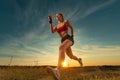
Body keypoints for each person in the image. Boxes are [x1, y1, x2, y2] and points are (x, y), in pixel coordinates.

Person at [47, 12, 83, 80]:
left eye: (59, 16)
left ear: (62, 16)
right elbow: (52, 31)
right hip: (63, 41)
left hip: (68, 38)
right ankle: (79, 60)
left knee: (61, 47)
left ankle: (57, 70)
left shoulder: (65, 21)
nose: (58, 17)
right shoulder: (57, 26)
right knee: (71, 56)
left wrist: (72, 36)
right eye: (56, 17)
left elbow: (71, 28)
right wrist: (50, 22)